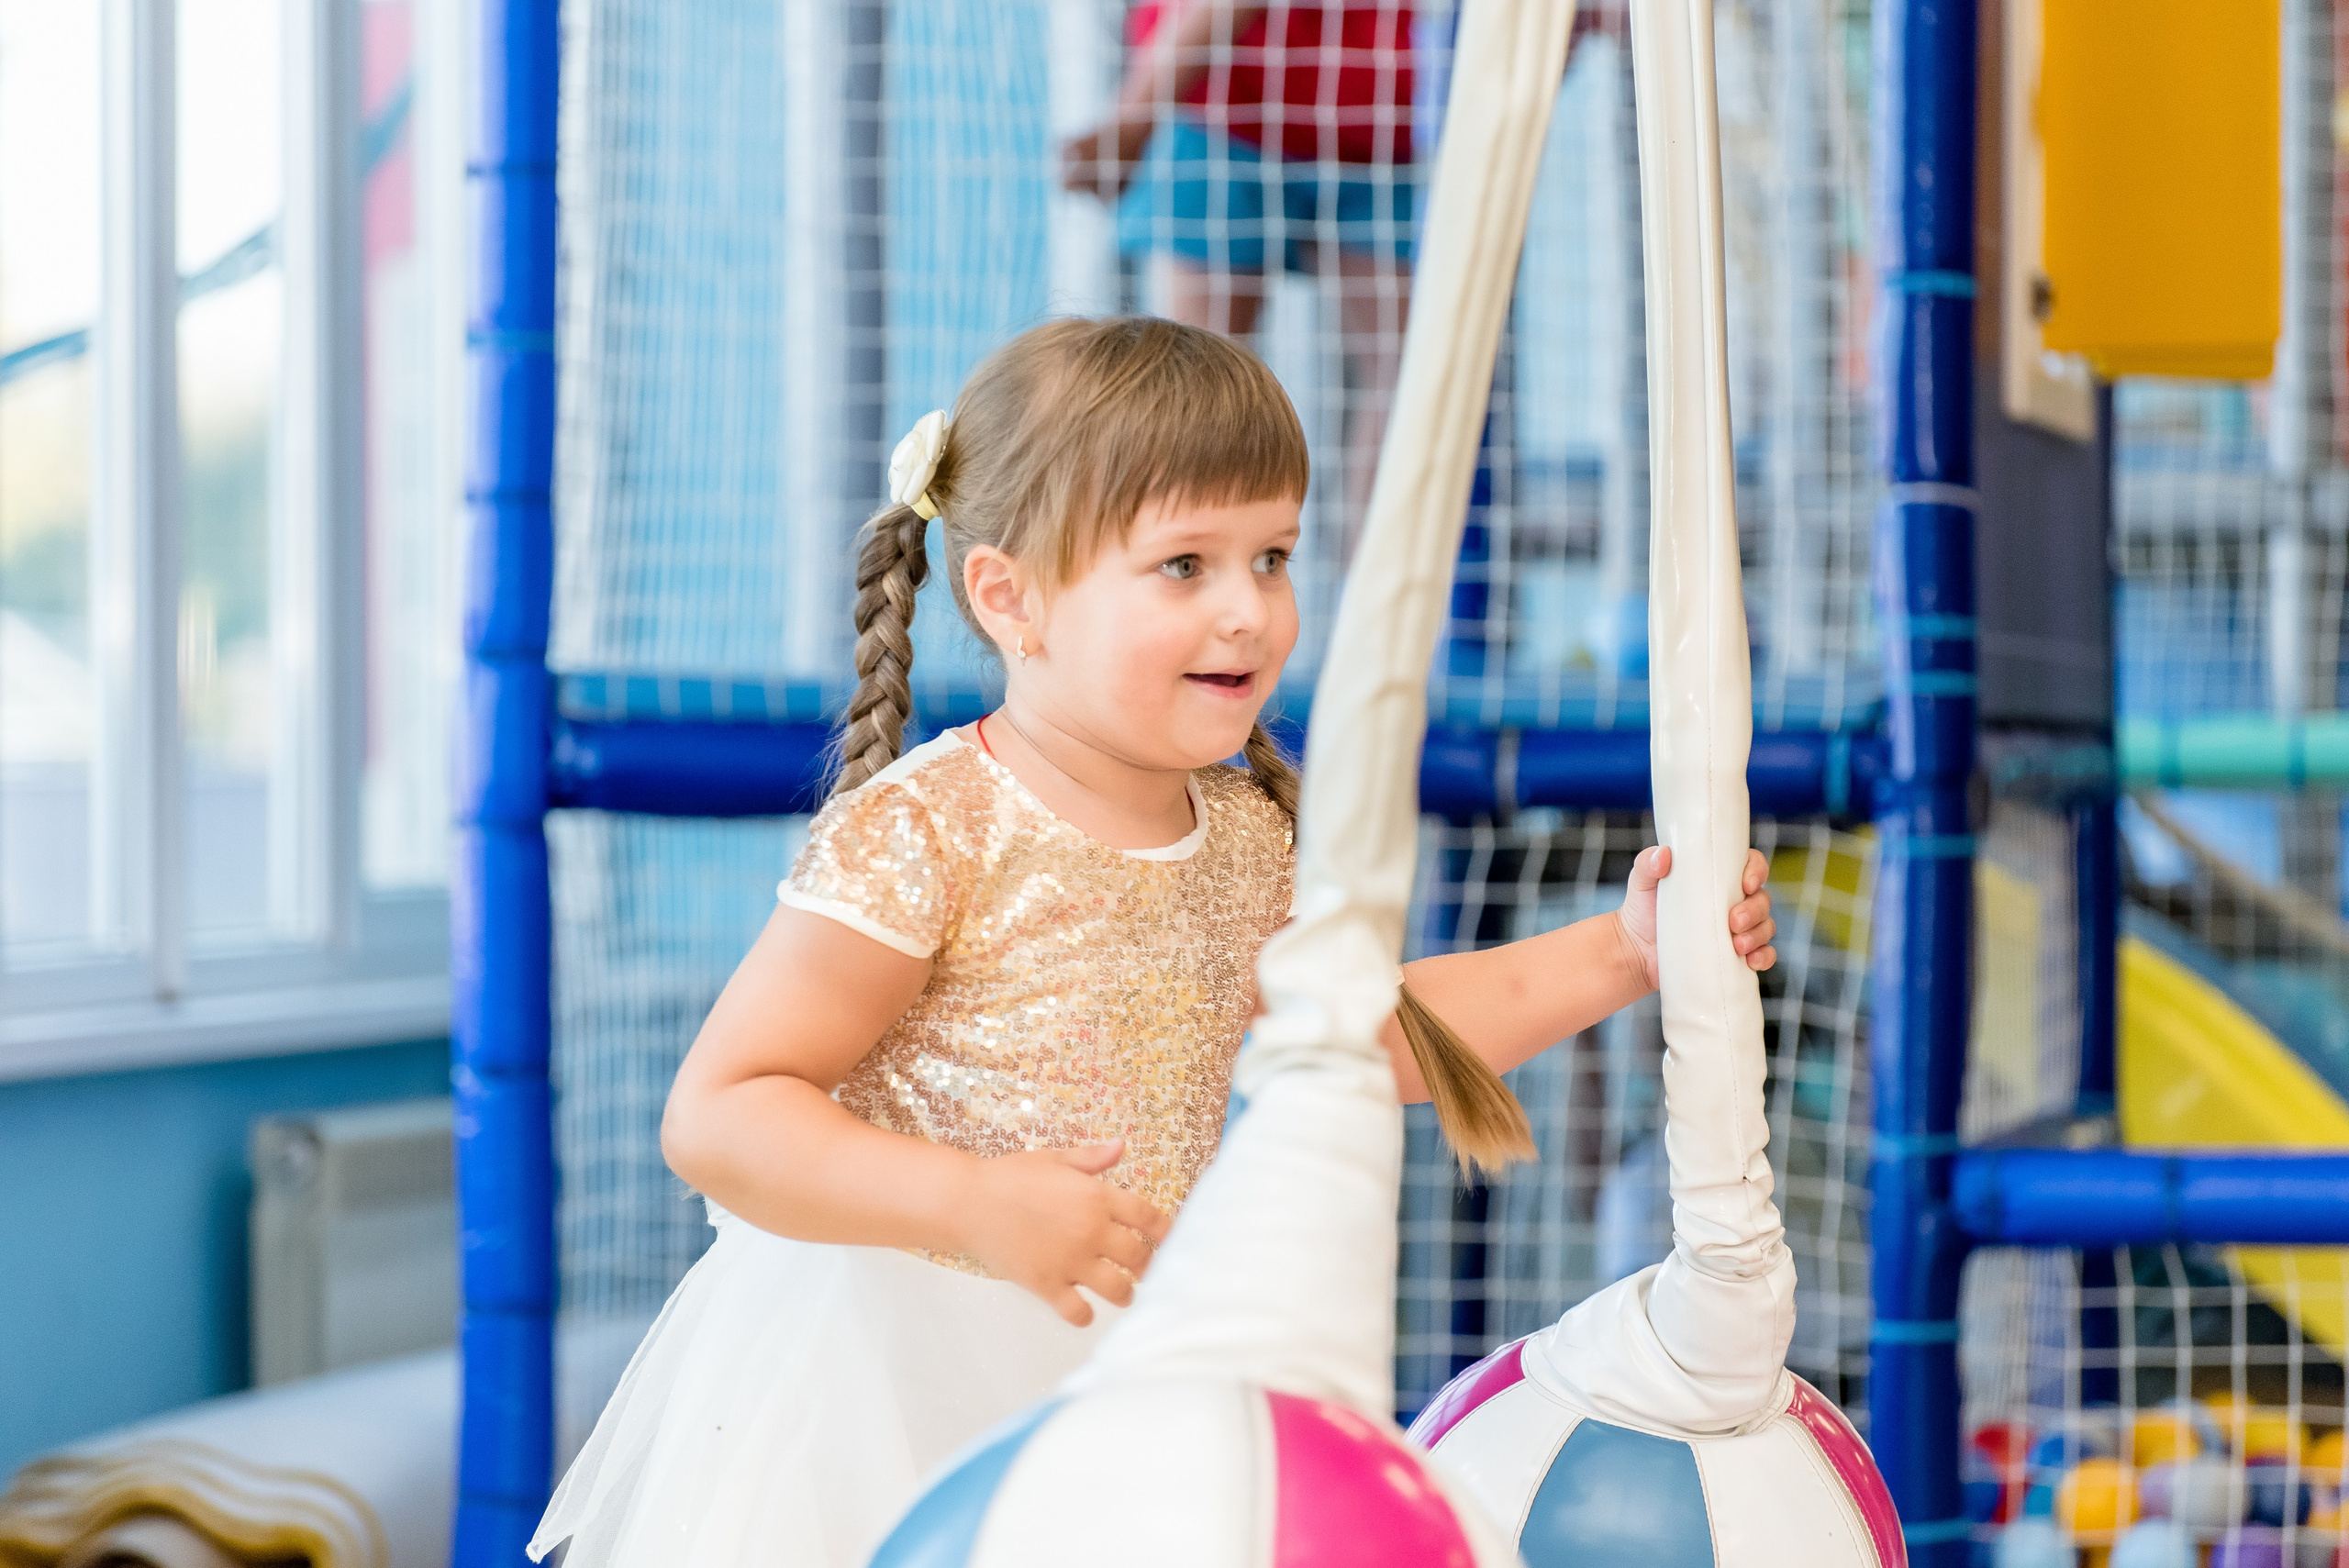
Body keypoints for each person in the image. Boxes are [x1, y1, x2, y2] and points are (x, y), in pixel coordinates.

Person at [529, 317, 1777, 1568]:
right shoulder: (933, 826)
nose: (1250, 609)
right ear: (1011, 597)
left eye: (1274, 555)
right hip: (885, 1377)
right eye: (1185, 565)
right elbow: (719, 1111)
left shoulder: (1239, 836)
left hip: (1109, 1356)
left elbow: (1374, 1023)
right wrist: (971, 1202)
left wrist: (1624, 951)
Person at [1062, 4, 1417, 526]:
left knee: (1412, 379)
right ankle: (1186, 570)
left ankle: (1376, 599)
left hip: (1377, 119)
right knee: (1199, 379)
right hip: (1225, 108)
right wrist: (1131, 121)